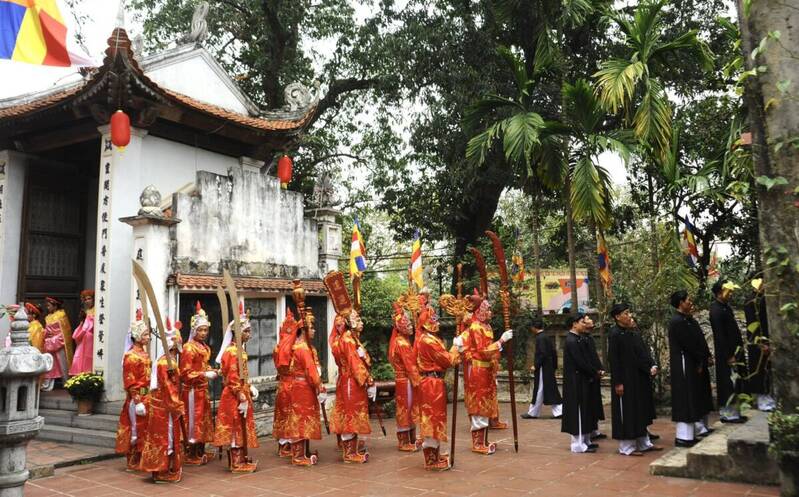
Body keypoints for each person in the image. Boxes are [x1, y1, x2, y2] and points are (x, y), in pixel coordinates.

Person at [454, 293, 513, 455]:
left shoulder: (486, 326)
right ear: (479, 311)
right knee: (479, 406)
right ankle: (478, 443)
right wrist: (501, 341)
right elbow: (483, 351)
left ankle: (483, 440)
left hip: (486, 370)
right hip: (478, 371)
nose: (490, 311)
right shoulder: (475, 328)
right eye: (487, 309)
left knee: (486, 405)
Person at [608, 304, 663, 456]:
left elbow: (640, 355)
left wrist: (650, 367)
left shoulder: (631, 333)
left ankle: (644, 443)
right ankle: (627, 447)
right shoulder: (615, 334)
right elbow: (614, 360)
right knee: (627, 412)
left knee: (639, 411)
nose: (629, 315)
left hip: (637, 378)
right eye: (625, 313)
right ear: (617, 317)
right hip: (625, 379)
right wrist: (618, 382)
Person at [213, 308, 259, 473]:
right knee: (235, 427)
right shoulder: (232, 352)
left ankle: (240, 459)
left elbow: (242, 374)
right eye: (246, 331)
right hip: (234, 396)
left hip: (241, 392)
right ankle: (236, 462)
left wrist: (249, 385)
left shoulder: (239, 350)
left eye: (249, 330)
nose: (249, 334)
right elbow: (232, 377)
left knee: (240, 426)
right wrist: (241, 395)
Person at [416, 306, 461, 470]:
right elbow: (447, 360)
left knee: (435, 419)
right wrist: (456, 347)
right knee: (432, 420)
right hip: (431, 384)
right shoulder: (428, 341)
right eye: (433, 319)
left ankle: (435, 454)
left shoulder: (430, 339)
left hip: (433, 383)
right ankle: (431, 460)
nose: (436, 322)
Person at [668, 290, 714, 447]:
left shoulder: (689, 320)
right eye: (688, 299)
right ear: (681, 303)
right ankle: (683, 437)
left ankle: (693, 433)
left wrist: (705, 357)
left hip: (693, 363)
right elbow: (689, 345)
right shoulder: (677, 322)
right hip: (684, 365)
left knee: (694, 397)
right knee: (685, 399)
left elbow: (699, 341)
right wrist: (699, 360)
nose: (690, 301)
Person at [139, 330, 185, 483]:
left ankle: (164, 468)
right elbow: (167, 386)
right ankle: (161, 471)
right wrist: (176, 404)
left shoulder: (169, 360)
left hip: (164, 406)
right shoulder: (165, 363)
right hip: (164, 407)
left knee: (166, 438)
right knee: (166, 438)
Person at [330, 309, 375, 463]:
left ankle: (351, 449)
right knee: (350, 413)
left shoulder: (352, 339)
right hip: (351, 380)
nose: (360, 321)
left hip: (349, 379)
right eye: (356, 318)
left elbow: (362, 360)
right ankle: (349, 453)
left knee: (351, 413)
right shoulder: (348, 340)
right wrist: (369, 381)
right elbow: (355, 364)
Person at [282, 309, 325, 466]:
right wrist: (319, 386)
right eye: (311, 328)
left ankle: (304, 451)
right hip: (303, 388)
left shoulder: (300, 346)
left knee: (303, 418)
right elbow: (310, 370)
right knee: (301, 419)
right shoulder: (303, 349)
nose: (314, 330)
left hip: (300, 386)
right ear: (304, 330)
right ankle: (298, 456)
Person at [179, 302, 217, 465]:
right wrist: (204, 374)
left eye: (205, 330)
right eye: (200, 330)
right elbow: (185, 374)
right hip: (192, 391)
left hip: (203, 390)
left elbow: (203, 366)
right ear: (194, 330)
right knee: (193, 421)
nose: (203, 333)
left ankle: (200, 450)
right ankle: (191, 453)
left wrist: (212, 370)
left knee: (203, 420)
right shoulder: (188, 348)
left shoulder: (205, 347)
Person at [115, 310, 152, 470]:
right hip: (137, 399)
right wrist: (137, 400)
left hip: (147, 396)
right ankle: (133, 460)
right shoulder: (130, 357)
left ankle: (142, 458)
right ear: (137, 336)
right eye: (145, 335)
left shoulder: (144, 354)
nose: (148, 338)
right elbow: (130, 381)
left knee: (145, 428)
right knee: (135, 429)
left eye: (148, 334)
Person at [561, 312, 602, 453]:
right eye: (582, 322)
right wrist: (594, 372)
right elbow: (580, 362)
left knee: (585, 410)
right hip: (575, 381)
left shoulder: (579, 339)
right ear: (574, 324)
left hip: (583, 379)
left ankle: (585, 440)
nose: (585, 324)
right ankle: (578, 445)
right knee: (578, 411)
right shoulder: (571, 340)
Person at [709, 280, 748, 423]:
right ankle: (728, 414)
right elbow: (720, 335)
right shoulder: (715, 310)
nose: (730, 294)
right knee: (727, 383)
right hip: (726, 354)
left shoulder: (726, 307)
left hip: (735, 351)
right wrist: (728, 355)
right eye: (728, 291)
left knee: (736, 382)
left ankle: (736, 412)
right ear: (720, 292)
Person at [388, 302, 422, 451]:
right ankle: (404, 441)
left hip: (402, 380)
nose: (411, 327)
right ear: (400, 327)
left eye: (410, 324)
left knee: (407, 407)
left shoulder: (401, 341)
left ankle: (411, 438)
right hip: (406, 380)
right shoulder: (402, 343)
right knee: (406, 408)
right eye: (407, 325)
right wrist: (419, 382)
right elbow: (410, 366)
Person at [743, 279, 775, 412]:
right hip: (757, 341)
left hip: (767, 339)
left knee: (767, 369)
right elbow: (753, 325)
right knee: (759, 368)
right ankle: (761, 398)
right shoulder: (751, 301)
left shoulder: (764, 299)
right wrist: (761, 343)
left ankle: (768, 395)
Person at [522, 318, 562, 419]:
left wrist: (536, 365)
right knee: (548, 389)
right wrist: (554, 366)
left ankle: (534, 412)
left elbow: (542, 353)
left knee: (540, 389)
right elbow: (553, 352)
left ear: (534, 328)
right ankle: (557, 411)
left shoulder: (540, 338)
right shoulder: (546, 337)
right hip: (547, 367)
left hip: (543, 368)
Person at [273, 308, 300, 458]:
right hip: (292, 385)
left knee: (282, 415)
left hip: (282, 385)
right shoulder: (294, 349)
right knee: (289, 415)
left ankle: (284, 445)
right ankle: (287, 445)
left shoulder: (277, 348)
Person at [42, 296, 74, 391]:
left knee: (63, 363)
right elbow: (47, 331)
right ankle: (47, 384)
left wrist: (54, 339)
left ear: (55, 306)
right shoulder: (47, 317)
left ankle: (67, 382)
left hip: (59, 342)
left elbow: (65, 332)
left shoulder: (61, 315)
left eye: (49, 305)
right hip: (49, 342)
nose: (47, 308)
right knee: (50, 363)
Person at [69, 290, 95, 376]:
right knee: (79, 356)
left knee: (88, 357)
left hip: (90, 337)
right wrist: (83, 320)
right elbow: (82, 326)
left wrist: (87, 321)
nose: (87, 301)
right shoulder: (86, 311)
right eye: (86, 299)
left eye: (89, 299)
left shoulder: (97, 310)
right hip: (83, 338)